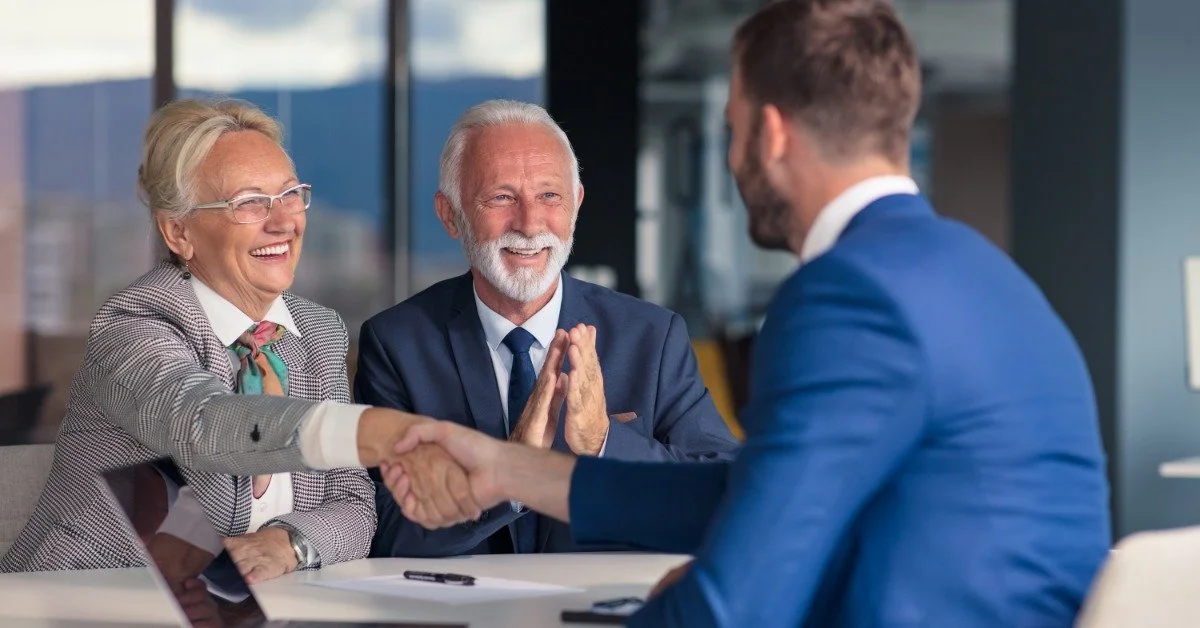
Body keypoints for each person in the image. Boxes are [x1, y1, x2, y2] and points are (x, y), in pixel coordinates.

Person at [380, 1, 1113, 625]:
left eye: (730, 129)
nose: (731, 159)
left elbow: (737, 604)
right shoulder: (985, 274)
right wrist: (510, 472)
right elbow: (748, 494)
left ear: (770, 134)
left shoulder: (849, 294)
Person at [0, 98, 479, 578]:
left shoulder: (318, 334)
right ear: (178, 231)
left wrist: (289, 542)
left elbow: (354, 505)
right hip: (77, 601)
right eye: (249, 202)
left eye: (290, 194)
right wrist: (372, 432)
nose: (283, 221)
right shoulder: (136, 325)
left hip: (235, 607)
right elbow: (201, 423)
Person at [356, 99, 739, 557]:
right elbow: (383, 531)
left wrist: (603, 441)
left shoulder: (653, 338)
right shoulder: (397, 343)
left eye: (549, 196)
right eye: (501, 197)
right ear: (450, 214)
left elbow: (725, 496)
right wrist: (508, 472)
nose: (530, 223)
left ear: (575, 203)